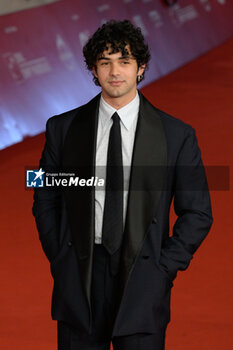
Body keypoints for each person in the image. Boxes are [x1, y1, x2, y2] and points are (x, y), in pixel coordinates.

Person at [33, 19, 213, 350]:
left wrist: (164, 267)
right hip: (81, 275)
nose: (115, 71)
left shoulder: (176, 136)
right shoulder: (62, 128)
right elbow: (45, 195)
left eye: (125, 61)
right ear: (94, 69)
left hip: (143, 276)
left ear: (140, 68)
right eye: (106, 62)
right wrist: (60, 256)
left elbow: (198, 212)